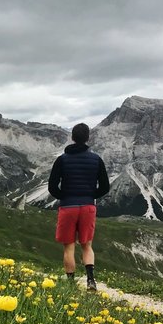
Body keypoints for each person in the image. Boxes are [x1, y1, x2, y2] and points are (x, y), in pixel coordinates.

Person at [47, 122, 110, 291]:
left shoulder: (62, 160)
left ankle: (70, 285)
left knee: (69, 246)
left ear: (72, 138)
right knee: (87, 245)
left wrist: (65, 196)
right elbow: (105, 187)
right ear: (88, 138)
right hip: (88, 207)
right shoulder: (96, 159)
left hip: (68, 207)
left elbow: (52, 186)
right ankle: (90, 281)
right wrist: (89, 195)